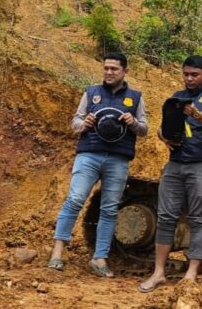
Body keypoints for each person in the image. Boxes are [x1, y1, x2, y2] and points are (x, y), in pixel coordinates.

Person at [47, 52, 148, 277]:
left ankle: (100, 258)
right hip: (89, 155)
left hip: (119, 159)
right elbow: (75, 122)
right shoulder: (91, 92)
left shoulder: (135, 97)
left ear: (125, 72)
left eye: (114, 69)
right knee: (74, 200)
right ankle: (57, 252)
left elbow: (144, 129)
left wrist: (133, 123)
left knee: (110, 208)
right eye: (106, 68)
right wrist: (85, 123)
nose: (109, 72)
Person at [139, 55, 202, 293]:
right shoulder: (176, 98)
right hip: (175, 164)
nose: (189, 79)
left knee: (198, 218)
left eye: (194, 75)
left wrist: (196, 114)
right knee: (166, 217)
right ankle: (158, 273)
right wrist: (164, 137)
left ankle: (192, 272)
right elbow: (162, 127)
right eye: (186, 74)